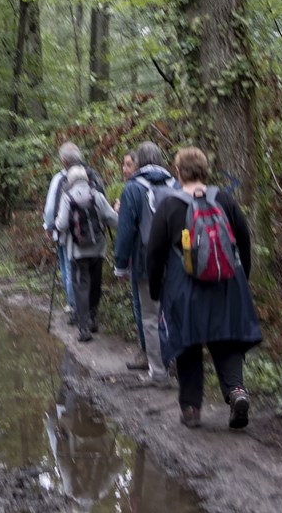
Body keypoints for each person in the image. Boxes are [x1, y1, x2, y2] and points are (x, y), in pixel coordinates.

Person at [146, 145, 261, 429]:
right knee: (226, 340)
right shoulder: (223, 199)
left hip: (185, 288)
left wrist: (156, 290)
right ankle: (236, 392)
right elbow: (243, 240)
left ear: (178, 172)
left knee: (188, 344)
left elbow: (155, 253)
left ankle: (191, 408)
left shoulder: (169, 205)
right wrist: (240, 278)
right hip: (226, 284)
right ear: (205, 170)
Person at [113, 141, 180, 383]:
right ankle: (178, 364)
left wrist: (120, 263)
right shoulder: (176, 184)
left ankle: (158, 372)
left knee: (151, 317)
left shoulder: (133, 189)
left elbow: (126, 229)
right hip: (176, 261)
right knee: (173, 314)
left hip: (145, 261)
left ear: (139, 161)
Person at [53, 162, 118, 344]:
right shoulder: (95, 194)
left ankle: (84, 328)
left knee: (82, 286)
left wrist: (56, 226)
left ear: (71, 181)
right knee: (95, 282)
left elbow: (62, 224)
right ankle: (93, 318)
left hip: (77, 250)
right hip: (98, 247)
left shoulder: (67, 197)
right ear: (86, 179)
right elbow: (111, 217)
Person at [43, 143, 85, 325]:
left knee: (68, 269)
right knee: (85, 272)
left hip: (65, 233)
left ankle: (74, 308)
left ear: (64, 160)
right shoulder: (89, 175)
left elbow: (51, 207)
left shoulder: (60, 178)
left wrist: (49, 226)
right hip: (89, 235)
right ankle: (88, 309)